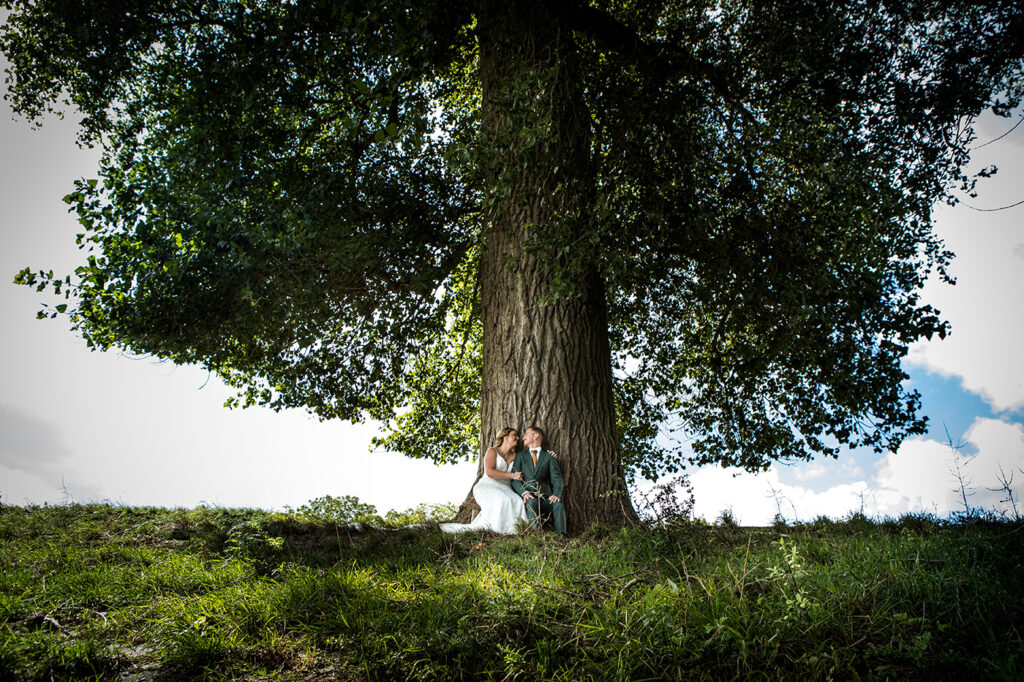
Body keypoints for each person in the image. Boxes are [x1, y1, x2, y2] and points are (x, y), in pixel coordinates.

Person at [439, 427, 529, 534]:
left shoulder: (516, 456)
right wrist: (512, 475)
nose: (518, 438)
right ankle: (496, 530)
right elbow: (490, 472)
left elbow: (532, 460)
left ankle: (514, 531)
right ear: (505, 436)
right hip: (488, 485)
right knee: (502, 499)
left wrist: (549, 454)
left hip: (506, 487)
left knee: (517, 501)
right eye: (514, 435)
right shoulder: (493, 451)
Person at [510, 426, 567, 536]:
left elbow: (557, 478)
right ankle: (536, 536)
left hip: (546, 498)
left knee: (558, 506)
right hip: (530, 497)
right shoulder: (521, 456)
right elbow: (515, 480)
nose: (523, 437)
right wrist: (524, 493)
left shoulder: (549, 457)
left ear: (536, 436)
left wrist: (556, 494)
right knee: (531, 503)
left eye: (526, 434)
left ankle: (562, 537)